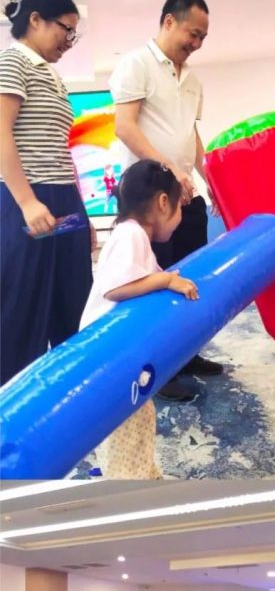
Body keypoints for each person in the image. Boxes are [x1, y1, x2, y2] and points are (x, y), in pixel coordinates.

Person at [110, 0, 222, 401]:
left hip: (185, 197)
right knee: (153, 282)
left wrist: (213, 180)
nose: (197, 43)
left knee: (190, 275)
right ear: (169, 22)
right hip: (149, 199)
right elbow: (125, 126)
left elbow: (192, 136)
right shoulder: (136, 64)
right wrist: (168, 169)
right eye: (193, 33)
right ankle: (156, 368)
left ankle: (187, 355)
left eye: (203, 37)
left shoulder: (192, 79)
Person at [79, 160, 198, 478]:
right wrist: (166, 280)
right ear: (163, 202)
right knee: (126, 424)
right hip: (107, 355)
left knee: (139, 416)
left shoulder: (133, 236)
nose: (180, 216)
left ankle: (141, 472)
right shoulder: (131, 235)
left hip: (119, 352)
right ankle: (126, 483)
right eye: (180, 206)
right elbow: (115, 288)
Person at [0, 0, 94, 385]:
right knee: (23, 310)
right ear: (35, 20)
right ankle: (15, 409)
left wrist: (82, 213)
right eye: (65, 29)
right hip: (27, 198)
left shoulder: (52, 75)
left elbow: (60, 148)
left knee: (73, 301)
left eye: (74, 33)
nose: (69, 41)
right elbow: (1, 132)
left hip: (62, 198)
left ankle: (70, 396)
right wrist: (26, 202)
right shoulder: (13, 61)